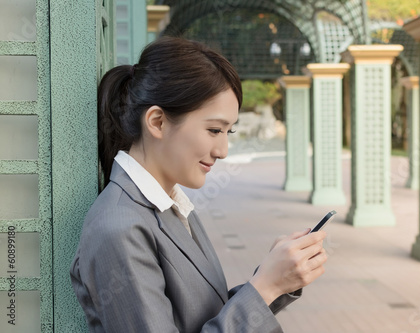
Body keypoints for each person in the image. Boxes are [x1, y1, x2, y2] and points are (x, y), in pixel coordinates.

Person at [70, 36, 327, 333]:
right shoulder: (119, 228)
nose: (223, 150)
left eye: (229, 131)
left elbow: (203, 317)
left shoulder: (171, 204)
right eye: (214, 130)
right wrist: (265, 287)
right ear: (157, 122)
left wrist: (278, 280)